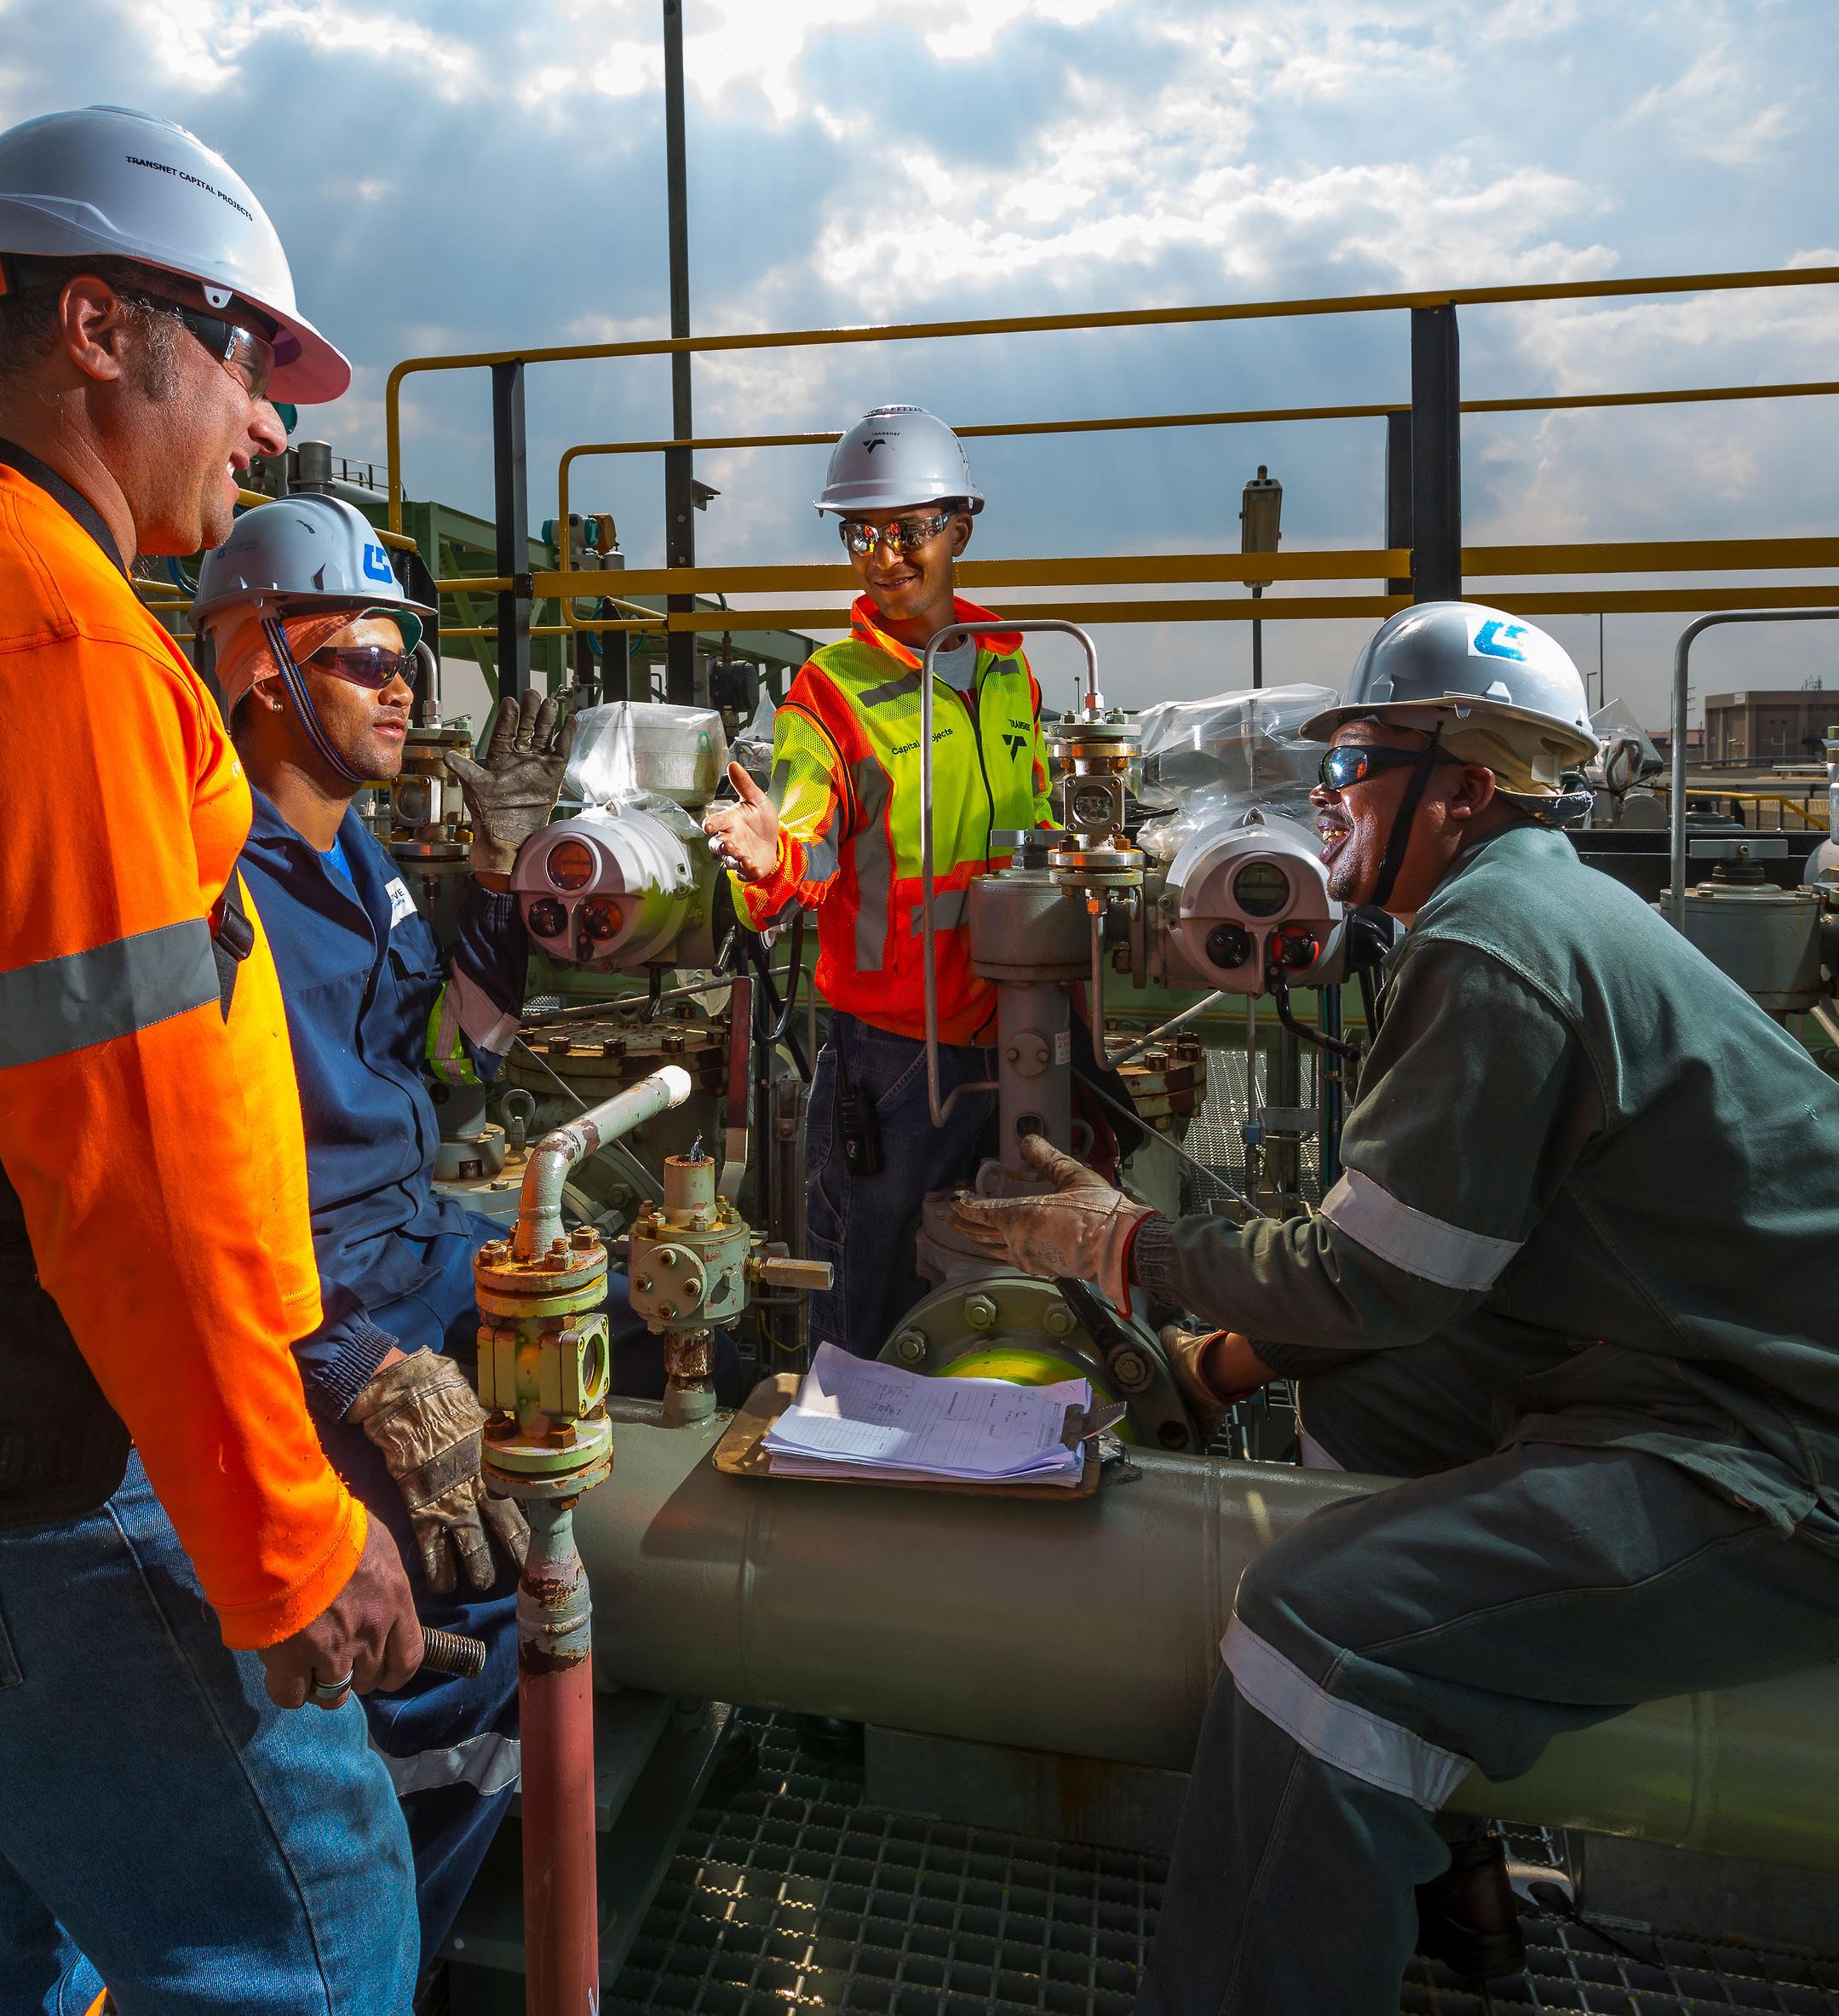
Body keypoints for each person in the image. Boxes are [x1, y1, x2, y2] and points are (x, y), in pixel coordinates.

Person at [0, 107, 427, 2015]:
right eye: (248, 351)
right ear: (101, 327)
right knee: (312, 1937)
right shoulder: (35, 638)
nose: (267, 421)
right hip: (26, 1445)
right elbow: (123, 1163)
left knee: (2, 1918)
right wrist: (283, 1540)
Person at [950, 600, 1839, 2016]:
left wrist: (1124, 1244)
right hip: (1695, 1365)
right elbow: (1430, 1276)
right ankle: (1442, 1877)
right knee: (1367, 1392)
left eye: (1355, 763)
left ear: (1461, 788)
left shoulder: (1487, 946)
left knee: (1313, 1628)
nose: (1328, 796)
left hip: (1774, 1452)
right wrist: (1221, 1361)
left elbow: (1368, 1276)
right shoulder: (1523, 907)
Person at [193, 495, 744, 1946]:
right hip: (313, 1291)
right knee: (474, 1578)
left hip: (407, 1232)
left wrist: (499, 895)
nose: (405, 692)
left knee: (672, 1321)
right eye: (369, 660)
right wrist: (351, 1363)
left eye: (411, 664)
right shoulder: (211, 883)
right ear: (263, 669)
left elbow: (449, 1059)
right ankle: (379, 1930)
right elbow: (195, 1195)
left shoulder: (357, 860)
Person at [704, 405, 1053, 1354]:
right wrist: (770, 861)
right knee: (872, 1300)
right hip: (895, 1056)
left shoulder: (1010, 671)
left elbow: (1038, 823)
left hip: (1018, 1028)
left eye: (908, 531)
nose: (883, 556)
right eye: (861, 534)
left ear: (959, 531)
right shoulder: (830, 692)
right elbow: (805, 849)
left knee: (1012, 1289)